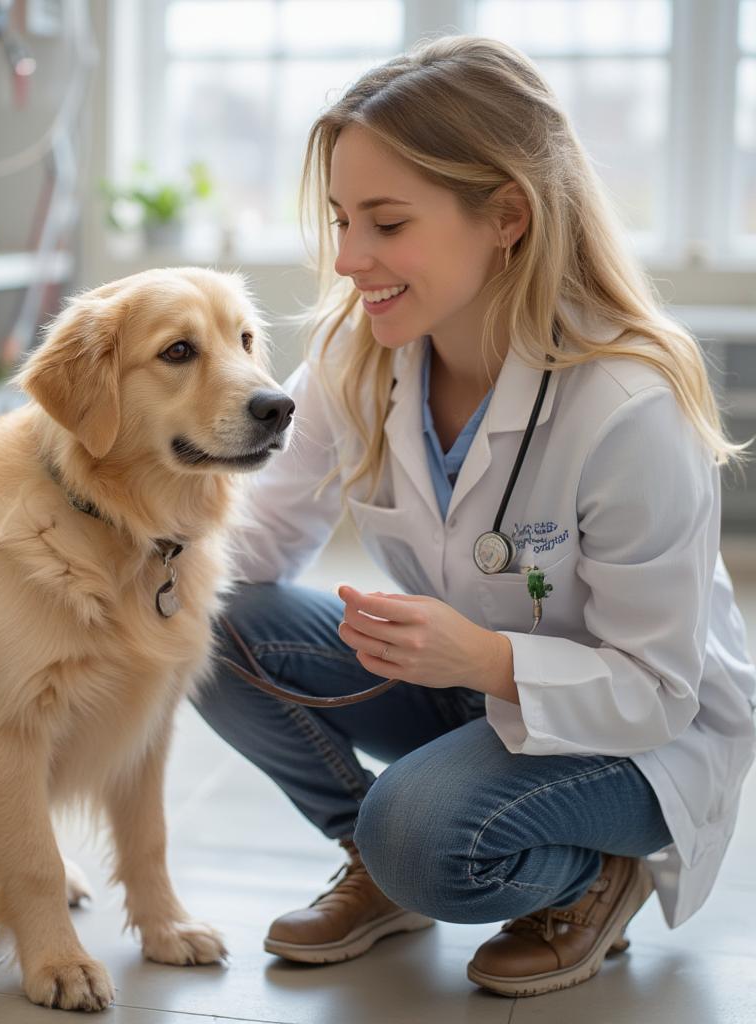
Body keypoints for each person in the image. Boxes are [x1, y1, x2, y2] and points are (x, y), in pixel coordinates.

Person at [185, 33, 756, 998]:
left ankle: (586, 875)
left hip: (640, 736)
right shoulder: (353, 352)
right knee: (205, 618)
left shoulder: (627, 405)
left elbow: (658, 689)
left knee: (424, 834)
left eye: (387, 223)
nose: (349, 257)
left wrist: (485, 661)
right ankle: (377, 862)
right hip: (466, 684)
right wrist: (34, 519)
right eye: (340, 219)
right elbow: (247, 545)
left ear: (507, 216)